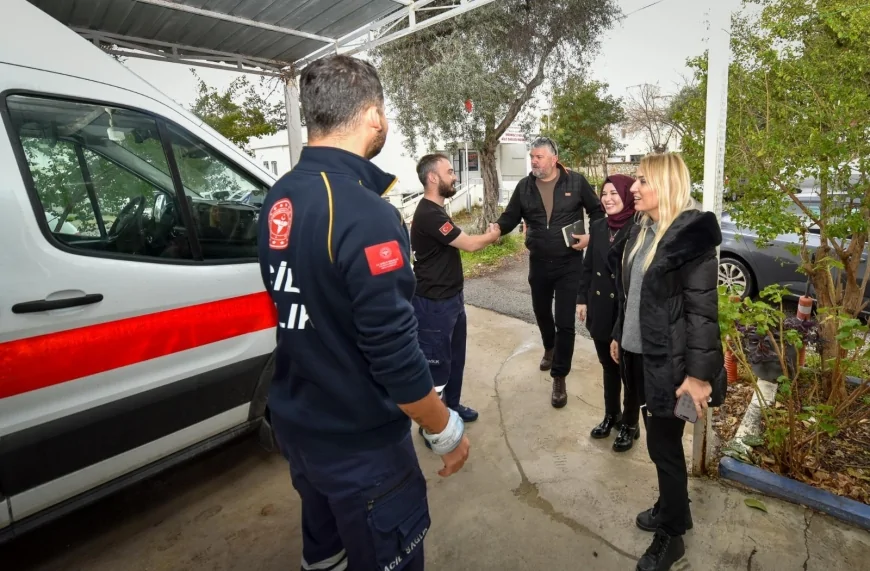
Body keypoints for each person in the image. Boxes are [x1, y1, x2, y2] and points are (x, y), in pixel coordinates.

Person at [257, 55, 470, 571]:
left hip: (300, 429)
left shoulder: (280, 197)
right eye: (384, 112)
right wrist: (444, 430)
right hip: (360, 447)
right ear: (374, 116)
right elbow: (394, 352)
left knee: (325, 556)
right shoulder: (365, 212)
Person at [609, 153, 726, 571]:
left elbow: (703, 314)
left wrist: (698, 377)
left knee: (664, 448)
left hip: (671, 366)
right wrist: (620, 334)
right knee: (660, 445)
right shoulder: (643, 228)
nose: (634, 188)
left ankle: (672, 536)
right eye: (636, 180)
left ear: (666, 184)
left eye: (643, 181)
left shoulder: (690, 239)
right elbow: (631, 294)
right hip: (640, 356)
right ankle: (673, 506)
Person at [495, 137, 604, 408]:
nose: (533, 161)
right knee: (542, 312)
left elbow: (598, 212)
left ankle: (559, 375)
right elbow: (510, 217)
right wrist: (496, 228)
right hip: (539, 262)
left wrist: (591, 238)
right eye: (532, 156)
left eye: (539, 157)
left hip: (570, 264)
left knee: (565, 322)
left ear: (554, 159)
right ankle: (549, 347)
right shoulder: (525, 186)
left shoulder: (576, 182)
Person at [410, 153, 500, 437]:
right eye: (449, 171)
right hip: (433, 304)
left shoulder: (437, 211)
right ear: (432, 177)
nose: (455, 176)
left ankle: (452, 407)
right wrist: (492, 236)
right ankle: (433, 428)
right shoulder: (429, 214)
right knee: (435, 366)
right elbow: (469, 244)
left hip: (451, 299)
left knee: (455, 358)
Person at [576, 174, 641, 451]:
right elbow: (588, 266)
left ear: (626, 195)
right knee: (608, 366)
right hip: (601, 308)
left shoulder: (639, 227)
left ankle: (630, 423)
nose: (608, 199)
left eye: (614, 193)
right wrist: (582, 299)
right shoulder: (599, 226)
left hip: (626, 311)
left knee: (629, 371)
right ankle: (611, 415)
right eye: (604, 193)